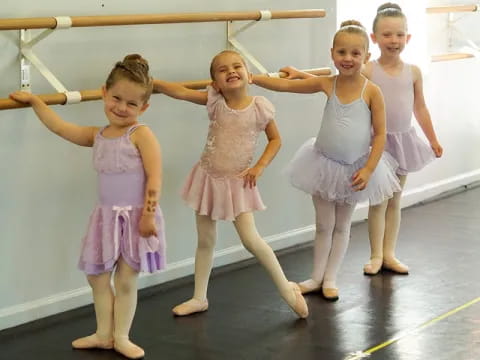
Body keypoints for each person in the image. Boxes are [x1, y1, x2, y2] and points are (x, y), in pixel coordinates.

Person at [10, 54, 166, 359]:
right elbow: (60, 128)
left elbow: (155, 176)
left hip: (136, 217)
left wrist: (148, 214)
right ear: (104, 93)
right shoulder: (98, 135)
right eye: (116, 98)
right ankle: (103, 333)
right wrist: (35, 102)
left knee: (125, 279)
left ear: (143, 108)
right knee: (96, 276)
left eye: (132, 104)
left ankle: (121, 335)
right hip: (105, 219)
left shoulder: (141, 135)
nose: (122, 107)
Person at [152, 50, 308, 319]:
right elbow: (181, 92)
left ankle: (286, 289)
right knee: (205, 240)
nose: (231, 71)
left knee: (252, 240)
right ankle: (199, 297)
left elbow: (275, 140)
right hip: (207, 179)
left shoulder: (259, 107)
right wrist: (153, 83)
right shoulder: (215, 102)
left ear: (248, 74)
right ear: (215, 83)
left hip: (237, 183)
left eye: (237, 66)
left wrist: (259, 167)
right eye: (222, 70)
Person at [252, 21, 400, 301]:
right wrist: (254, 79)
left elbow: (380, 135)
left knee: (342, 226)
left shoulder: (372, 92)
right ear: (332, 54)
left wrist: (369, 169)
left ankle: (331, 278)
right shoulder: (326, 83)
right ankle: (316, 277)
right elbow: (285, 86)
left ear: (366, 57)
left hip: (355, 168)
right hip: (322, 163)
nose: (348, 58)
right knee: (322, 225)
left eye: (356, 54)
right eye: (342, 52)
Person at [361, 3, 443, 275]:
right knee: (378, 200)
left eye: (399, 35)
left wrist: (432, 139)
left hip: (404, 142)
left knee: (395, 199)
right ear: (374, 38)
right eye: (386, 34)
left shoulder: (414, 72)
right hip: (378, 144)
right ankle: (374, 255)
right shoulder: (368, 71)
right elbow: (358, 109)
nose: (393, 40)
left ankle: (389, 254)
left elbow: (419, 107)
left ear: (407, 38)